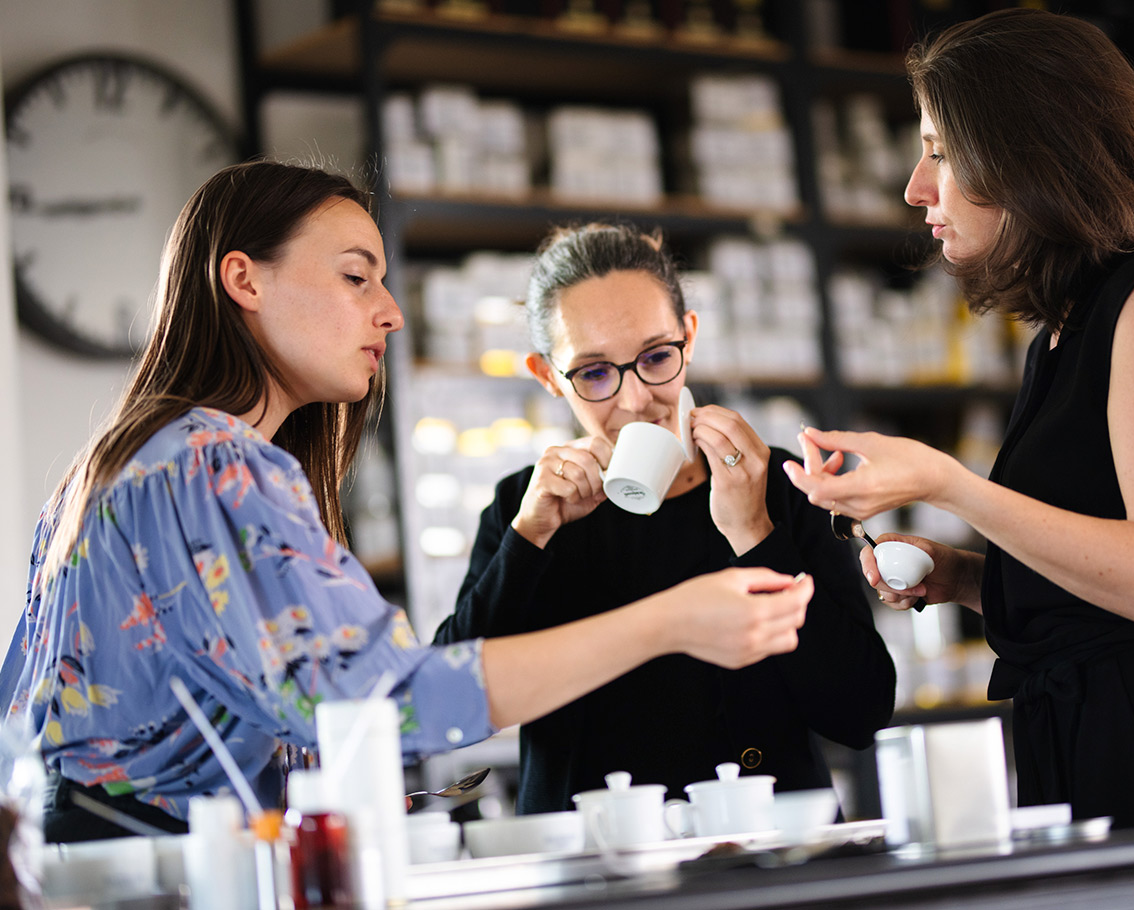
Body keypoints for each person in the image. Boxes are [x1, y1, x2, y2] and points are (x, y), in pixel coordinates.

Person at [0, 162, 815, 842]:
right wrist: (669, 622)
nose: (389, 313)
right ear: (244, 279)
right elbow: (379, 703)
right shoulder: (212, 463)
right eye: (356, 277)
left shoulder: (123, 463)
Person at [785, 8, 1134, 829]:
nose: (916, 187)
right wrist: (967, 578)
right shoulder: (1065, 333)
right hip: (1093, 739)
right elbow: (1105, 591)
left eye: (940, 152)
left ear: (1030, 153)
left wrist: (949, 484)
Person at [433, 223, 896, 813]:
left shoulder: (776, 483)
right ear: (548, 375)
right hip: (595, 850)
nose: (634, 400)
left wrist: (754, 532)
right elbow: (446, 709)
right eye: (594, 373)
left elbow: (861, 712)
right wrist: (529, 538)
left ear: (689, 338)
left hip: (766, 840)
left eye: (656, 358)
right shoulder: (524, 509)